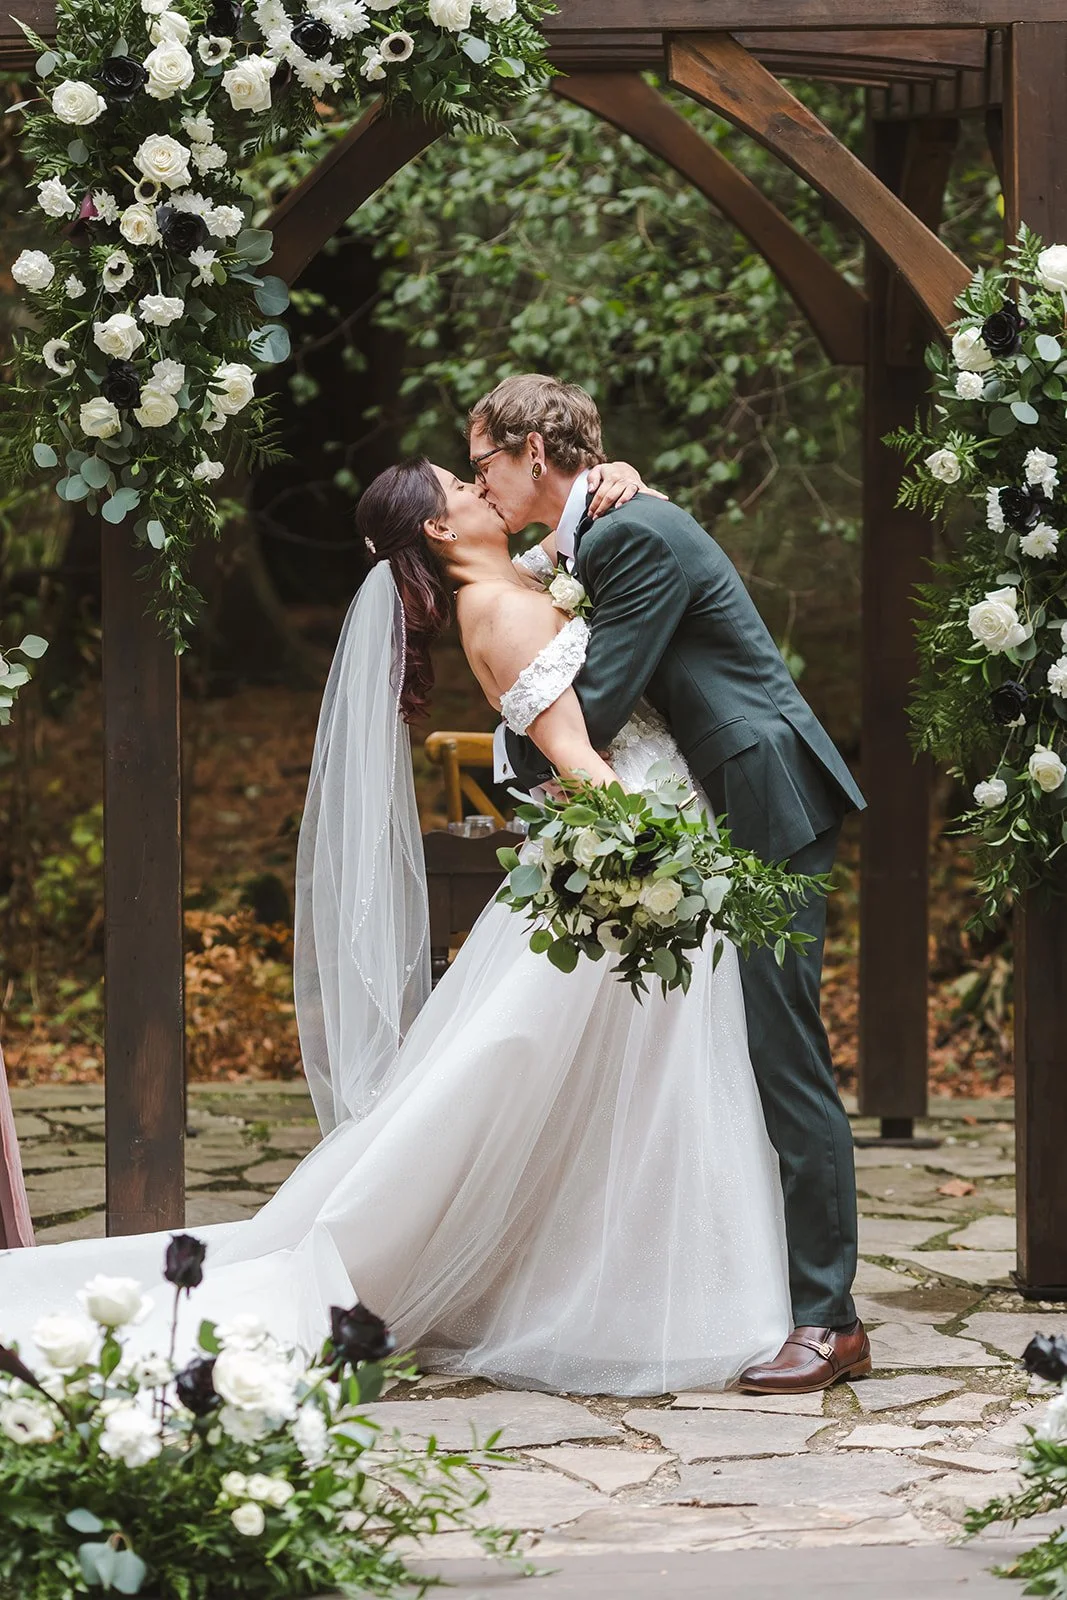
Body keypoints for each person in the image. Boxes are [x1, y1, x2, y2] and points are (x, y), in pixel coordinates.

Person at [0, 455, 798, 1399]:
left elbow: (577, 530)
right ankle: (599, 1285)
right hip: (631, 847)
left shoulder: (520, 582)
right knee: (567, 1072)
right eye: (459, 487)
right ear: (439, 529)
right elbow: (574, 753)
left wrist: (612, 476)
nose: (476, 486)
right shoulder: (497, 612)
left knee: (577, 1074)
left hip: (627, 840)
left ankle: (590, 1268)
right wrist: (658, 858)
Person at [470, 374, 868, 1396]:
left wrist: (517, 758)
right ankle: (779, 1290)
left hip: (763, 795)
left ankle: (830, 1320)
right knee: (756, 1043)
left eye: (482, 463)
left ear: (529, 452)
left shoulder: (626, 535)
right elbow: (506, 576)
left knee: (785, 1050)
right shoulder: (597, 529)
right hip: (729, 792)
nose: (478, 484)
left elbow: (591, 706)